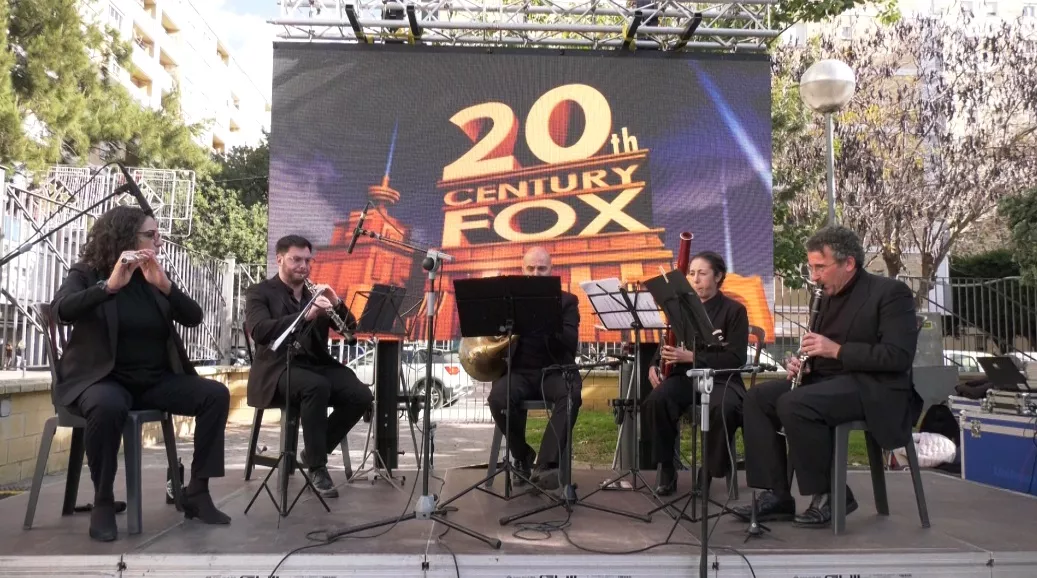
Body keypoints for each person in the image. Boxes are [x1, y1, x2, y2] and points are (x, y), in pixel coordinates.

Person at [50, 206, 231, 542]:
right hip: (102, 379)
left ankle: (197, 491)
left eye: (158, 236)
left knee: (215, 395)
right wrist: (108, 287)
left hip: (153, 381)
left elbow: (194, 316)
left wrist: (165, 286)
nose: (158, 242)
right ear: (125, 237)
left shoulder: (151, 278)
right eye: (151, 235)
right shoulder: (88, 273)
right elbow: (61, 310)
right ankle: (103, 500)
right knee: (107, 406)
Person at [732, 225, 919, 528]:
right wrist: (804, 363)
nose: (814, 275)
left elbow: (898, 357)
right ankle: (777, 494)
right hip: (828, 383)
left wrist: (837, 351)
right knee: (758, 398)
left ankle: (832, 494)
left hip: (875, 388)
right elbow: (822, 353)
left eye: (821, 267)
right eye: (811, 267)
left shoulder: (890, 293)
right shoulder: (824, 296)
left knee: (796, 403)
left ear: (849, 263)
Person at [244, 235, 374, 498]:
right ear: (279, 259)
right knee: (316, 387)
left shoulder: (315, 293)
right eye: (296, 260)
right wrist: (307, 314)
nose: (303, 266)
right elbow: (259, 331)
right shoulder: (260, 292)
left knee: (361, 395)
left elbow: (350, 332)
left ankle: (314, 450)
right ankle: (317, 468)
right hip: (278, 369)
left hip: (315, 365)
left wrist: (336, 303)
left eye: (307, 260)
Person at [642, 251, 749, 495]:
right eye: (692, 273)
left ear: (718, 276)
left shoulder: (734, 311)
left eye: (702, 273)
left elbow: (736, 358)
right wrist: (654, 364)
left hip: (722, 379)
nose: (695, 279)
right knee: (656, 401)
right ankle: (667, 468)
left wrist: (693, 357)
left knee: (721, 408)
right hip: (686, 377)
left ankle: (708, 472)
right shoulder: (679, 310)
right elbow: (665, 345)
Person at [486, 246, 581, 491]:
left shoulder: (567, 301)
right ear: (522, 270)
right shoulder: (509, 301)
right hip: (519, 372)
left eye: (542, 268)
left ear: (551, 271)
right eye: (531, 268)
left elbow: (571, 343)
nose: (536, 273)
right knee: (498, 398)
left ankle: (545, 465)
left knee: (570, 395)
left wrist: (548, 317)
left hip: (555, 371)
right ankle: (523, 455)